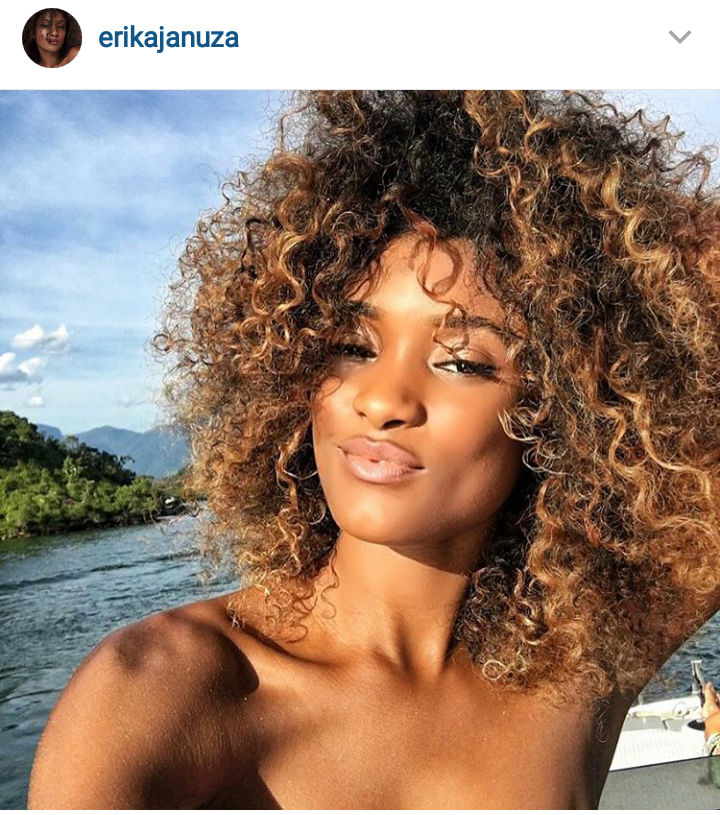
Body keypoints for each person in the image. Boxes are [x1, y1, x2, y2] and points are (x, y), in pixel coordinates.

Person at [28, 91, 720, 808]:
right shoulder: (158, 690)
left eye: (462, 361)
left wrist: (616, 251)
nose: (384, 398)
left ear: (565, 408)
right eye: (354, 347)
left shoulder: (578, 668)